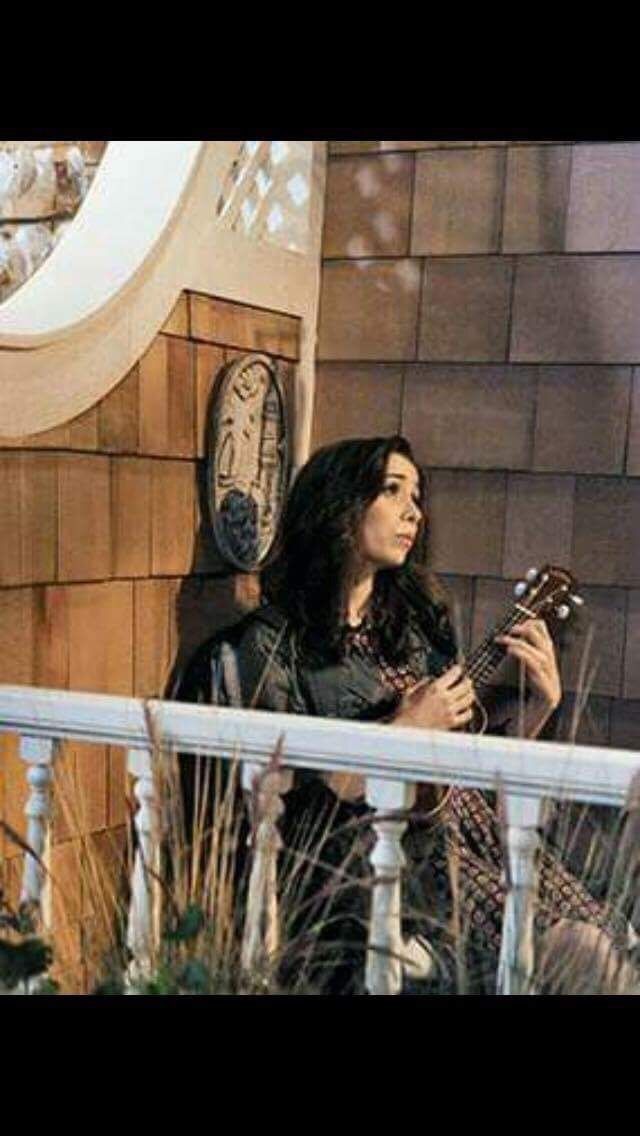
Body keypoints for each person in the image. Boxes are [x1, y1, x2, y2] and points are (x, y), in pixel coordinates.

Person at [179, 435, 637, 994]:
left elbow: (468, 767)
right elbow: (306, 803)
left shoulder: (416, 625)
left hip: (480, 835)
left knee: (615, 945)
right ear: (339, 506)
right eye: (393, 491)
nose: (413, 511)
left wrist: (541, 705)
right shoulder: (275, 647)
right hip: (402, 861)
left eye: (416, 495)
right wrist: (406, 730)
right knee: (582, 954)